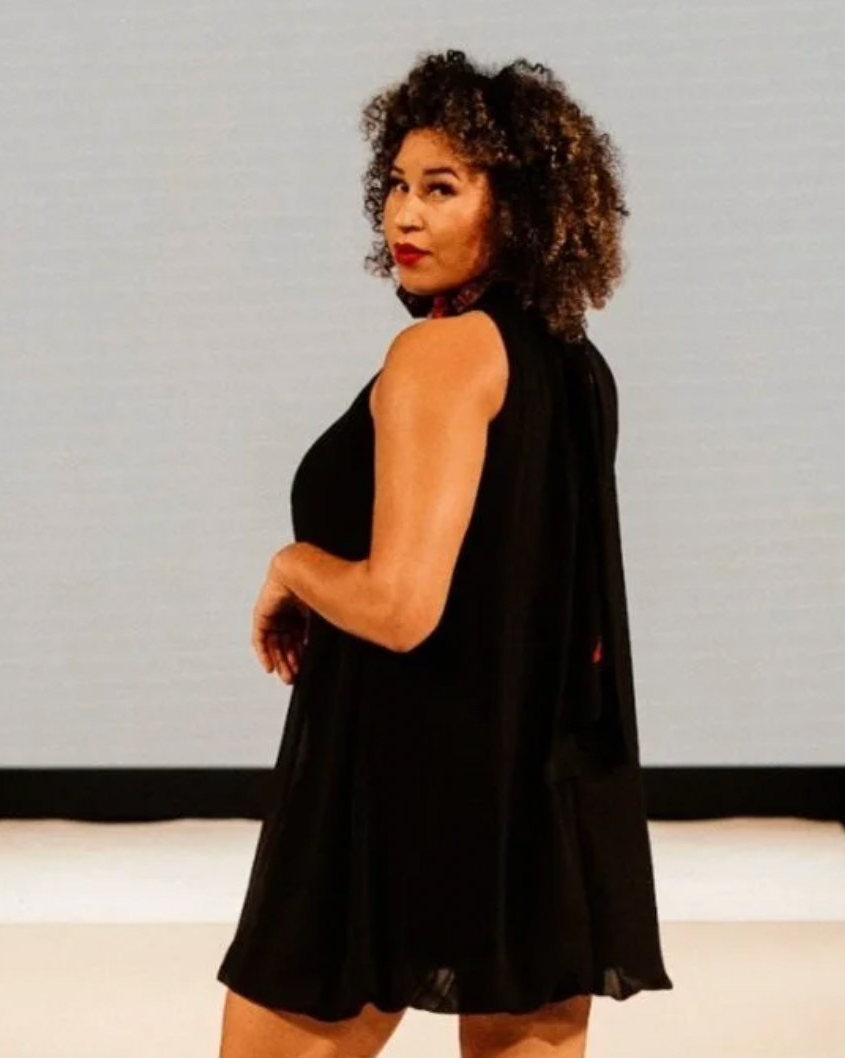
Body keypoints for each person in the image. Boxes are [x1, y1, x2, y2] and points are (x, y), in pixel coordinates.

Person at [216, 49, 673, 1058]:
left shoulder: (441, 354)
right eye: (395, 185)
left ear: (520, 206)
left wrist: (292, 566)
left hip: (394, 788)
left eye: (441, 188)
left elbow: (399, 606)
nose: (403, 216)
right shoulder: (573, 363)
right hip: (535, 801)